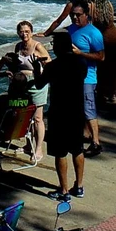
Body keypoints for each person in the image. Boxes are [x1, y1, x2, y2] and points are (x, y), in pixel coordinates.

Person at [33, 31, 91, 201]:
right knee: (77, 148)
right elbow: (83, 75)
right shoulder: (81, 62)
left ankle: (63, 190)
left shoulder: (53, 67)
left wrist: (38, 68)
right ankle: (79, 186)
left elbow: (39, 83)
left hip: (59, 113)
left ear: (58, 47)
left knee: (60, 152)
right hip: (77, 110)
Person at [67, 0, 106, 157]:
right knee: (79, 109)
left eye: (78, 15)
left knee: (89, 110)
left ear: (86, 15)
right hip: (73, 76)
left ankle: (96, 142)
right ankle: (84, 135)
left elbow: (101, 56)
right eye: (72, 15)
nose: (75, 18)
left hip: (87, 78)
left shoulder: (94, 33)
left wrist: (80, 53)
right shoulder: (71, 29)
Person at [12, 20, 51, 163]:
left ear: (32, 32)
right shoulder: (18, 47)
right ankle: (28, 145)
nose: (24, 34)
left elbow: (50, 64)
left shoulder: (37, 46)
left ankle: (39, 148)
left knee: (38, 118)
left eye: (27, 31)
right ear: (18, 33)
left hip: (37, 84)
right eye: (22, 32)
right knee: (26, 116)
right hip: (22, 85)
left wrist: (39, 69)